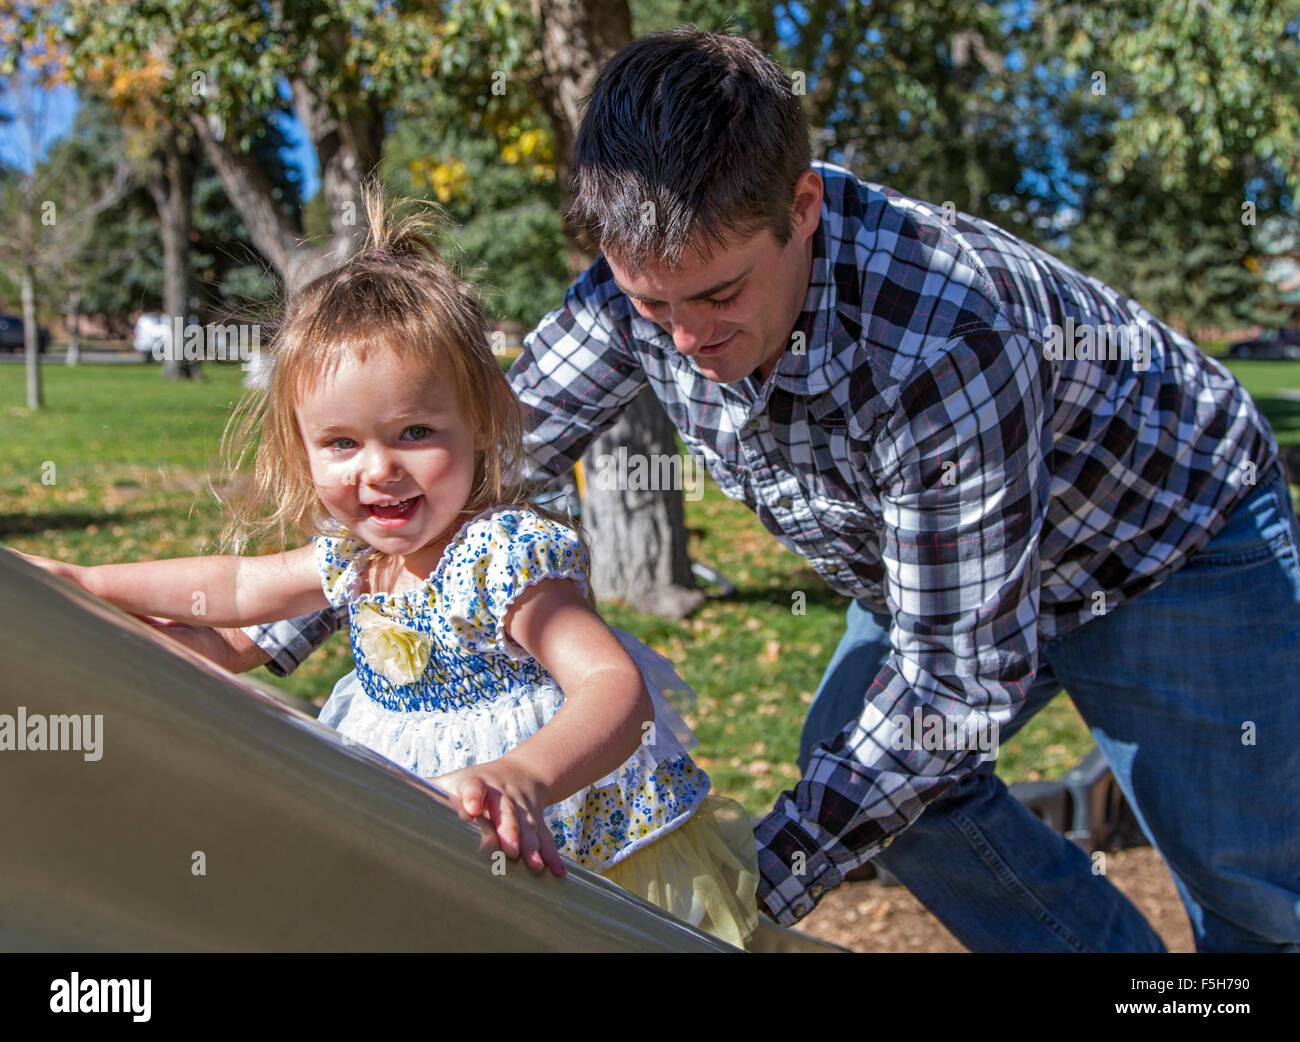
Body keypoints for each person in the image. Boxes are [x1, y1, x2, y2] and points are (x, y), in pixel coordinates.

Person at [206, 30, 1298, 952]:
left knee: (1247, 886)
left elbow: (955, 689)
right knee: (884, 786)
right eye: (652, 304)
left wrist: (732, 902)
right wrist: (276, 628)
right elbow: (472, 461)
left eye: (719, 294)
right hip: (936, 557)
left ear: (804, 205)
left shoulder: (941, 338)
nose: (684, 336)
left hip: (1166, 543)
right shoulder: (636, 293)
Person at [16, 189, 761, 950]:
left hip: (559, 838)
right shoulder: (352, 558)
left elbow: (613, 689)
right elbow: (235, 593)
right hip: (423, 833)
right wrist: (82, 588)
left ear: (482, 422)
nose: (379, 471)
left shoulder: (501, 556)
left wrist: (527, 776)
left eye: (414, 431)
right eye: (341, 443)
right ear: (301, 448)